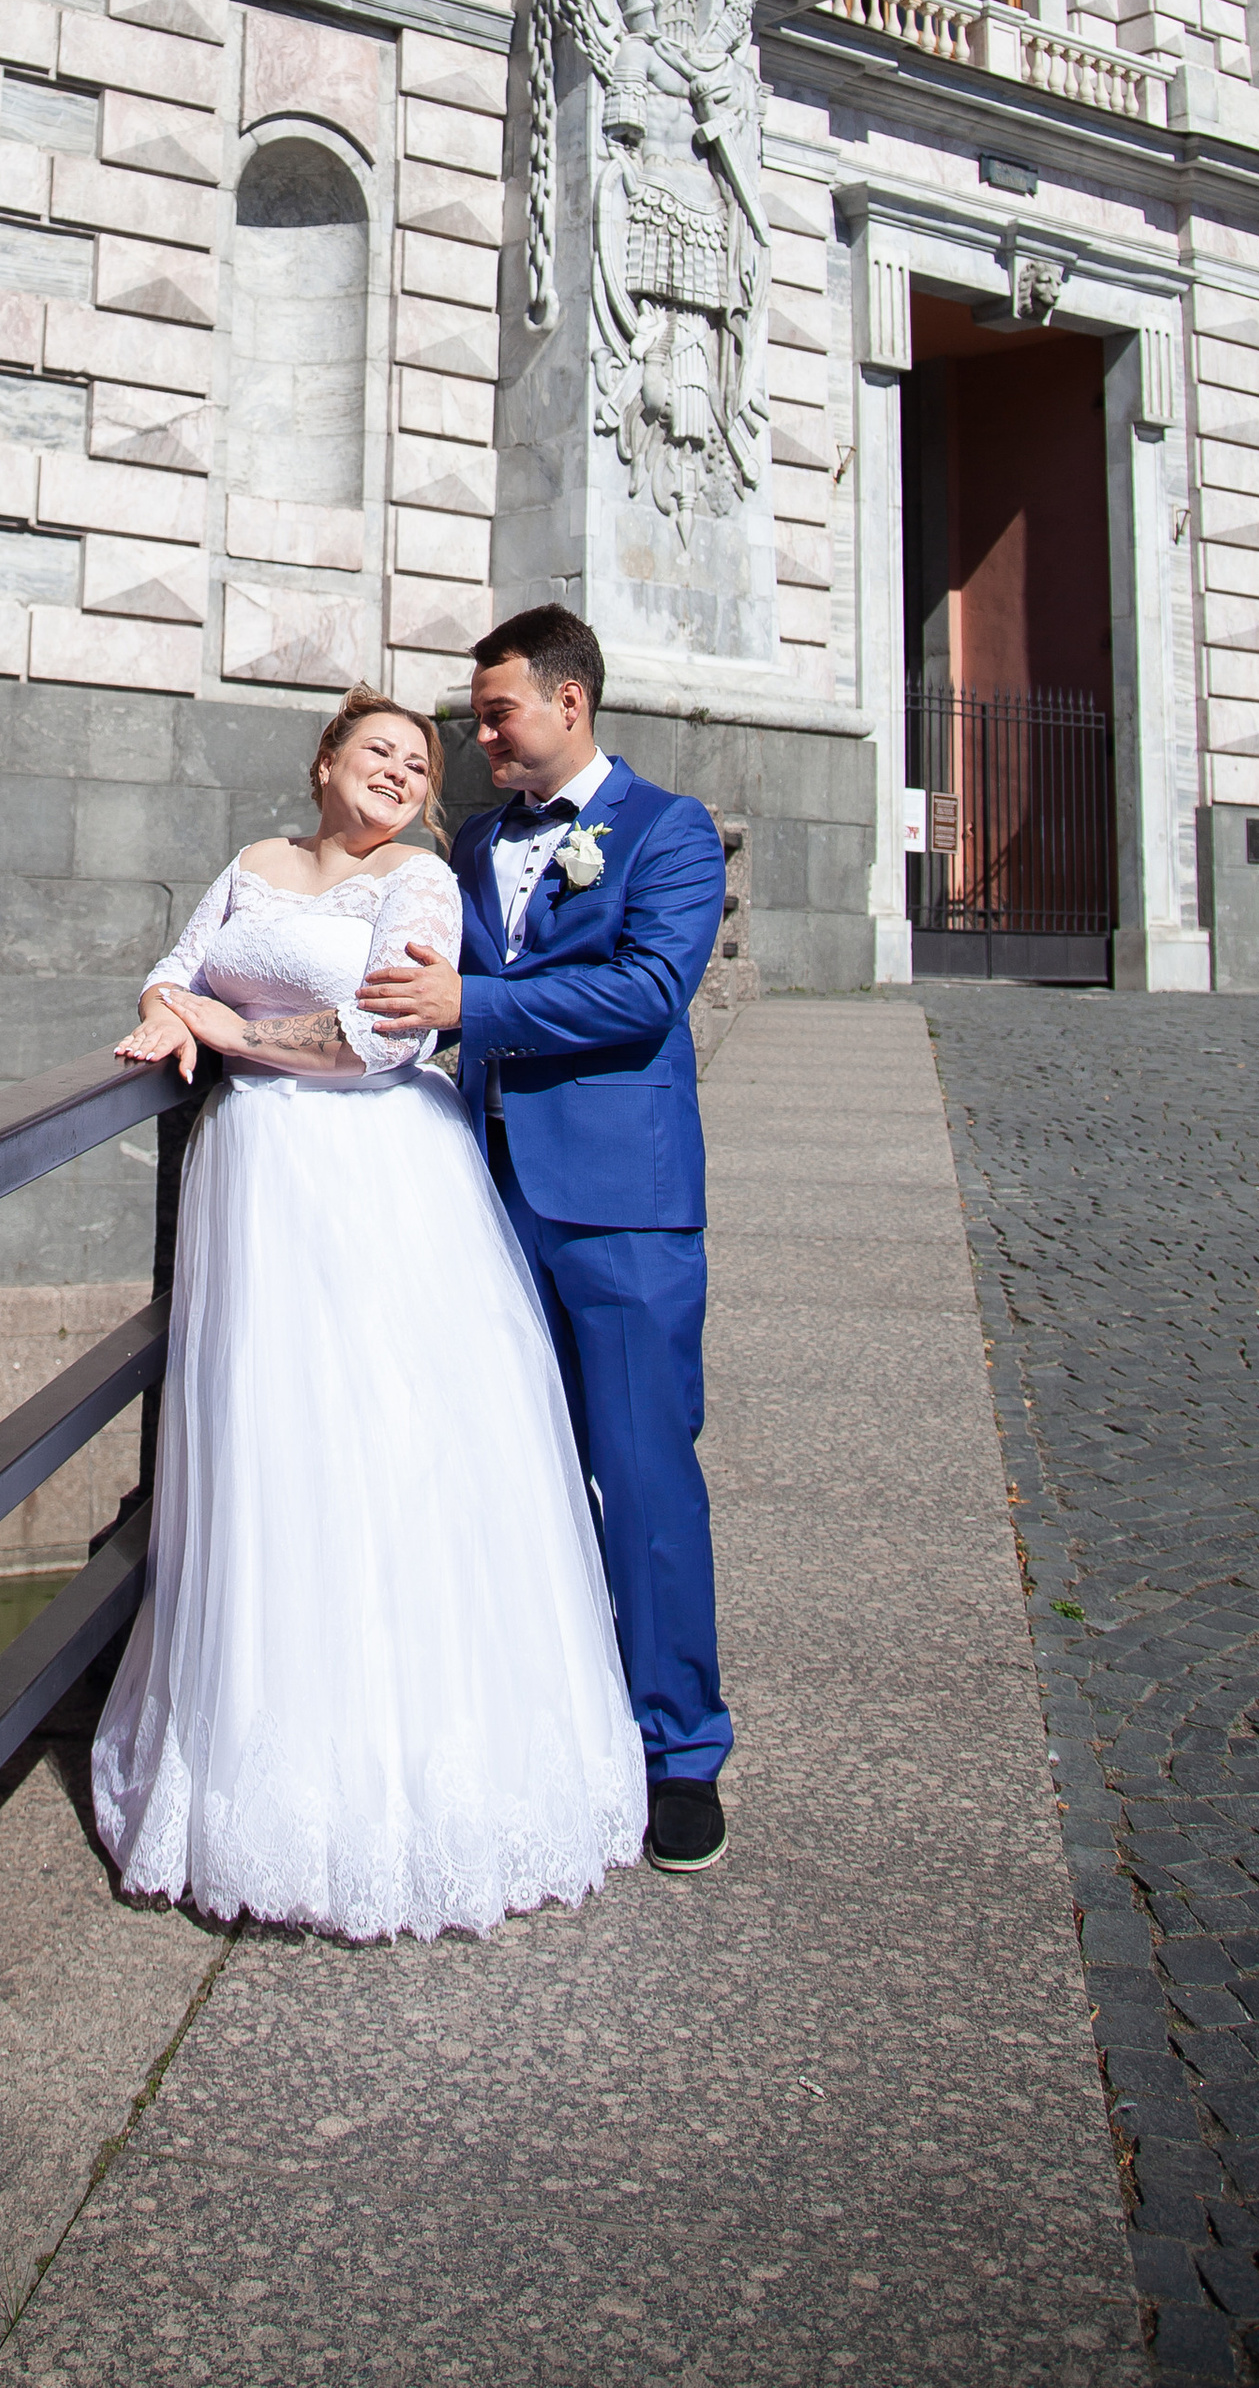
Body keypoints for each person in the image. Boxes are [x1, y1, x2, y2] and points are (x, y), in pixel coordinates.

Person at [93, 685, 647, 1941]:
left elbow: (386, 1038)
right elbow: (174, 970)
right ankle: (257, 1747)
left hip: (375, 1177)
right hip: (258, 1180)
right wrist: (164, 1013)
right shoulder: (249, 861)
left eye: (421, 762)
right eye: (380, 750)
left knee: (385, 1446)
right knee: (267, 1454)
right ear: (323, 759)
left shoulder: (420, 880)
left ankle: (402, 1780)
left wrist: (236, 1028)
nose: (402, 772)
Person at [359, 604, 732, 1873]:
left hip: (619, 1204)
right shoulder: (470, 840)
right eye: (474, 713)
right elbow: (395, 965)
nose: (479, 733)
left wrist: (477, 1000)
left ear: (569, 703)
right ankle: (541, 1724)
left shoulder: (669, 830)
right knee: (502, 1477)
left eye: (496, 710)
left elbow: (643, 993)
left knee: (642, 1477)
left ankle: (680, 1750)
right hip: (480, 1195)